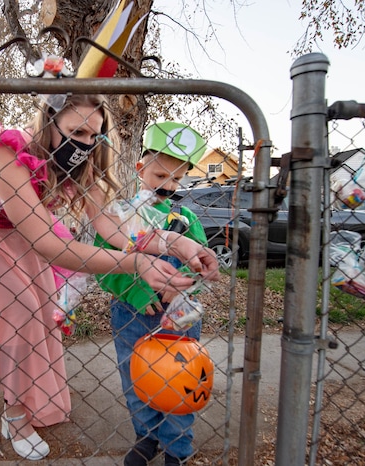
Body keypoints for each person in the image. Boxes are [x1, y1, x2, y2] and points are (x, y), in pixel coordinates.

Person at [0, 98, 219, 461]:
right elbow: (49, 244)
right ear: (49, 121)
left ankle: (24, 397)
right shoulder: (6, 149)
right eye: (77, 131)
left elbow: (115, 228)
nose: (86, 143)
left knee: (39, 321)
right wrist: (136, 265)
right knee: (20, 319)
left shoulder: (82, 161)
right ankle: (14, 416)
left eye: (94, 134)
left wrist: (177, 241)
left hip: (30, 240)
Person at [95, 121, 219, 466]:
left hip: (178, 319)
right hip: (132, 315)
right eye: (160, 175)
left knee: (182, 382)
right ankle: (146, 437)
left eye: (177, 179)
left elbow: (199, 262)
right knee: (139, 381)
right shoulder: (118, 217)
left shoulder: (186, 218)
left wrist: (193, 278)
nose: (167, 186)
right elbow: (103, 266)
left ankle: (177, 447)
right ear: (140, 169)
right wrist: (135, 293)